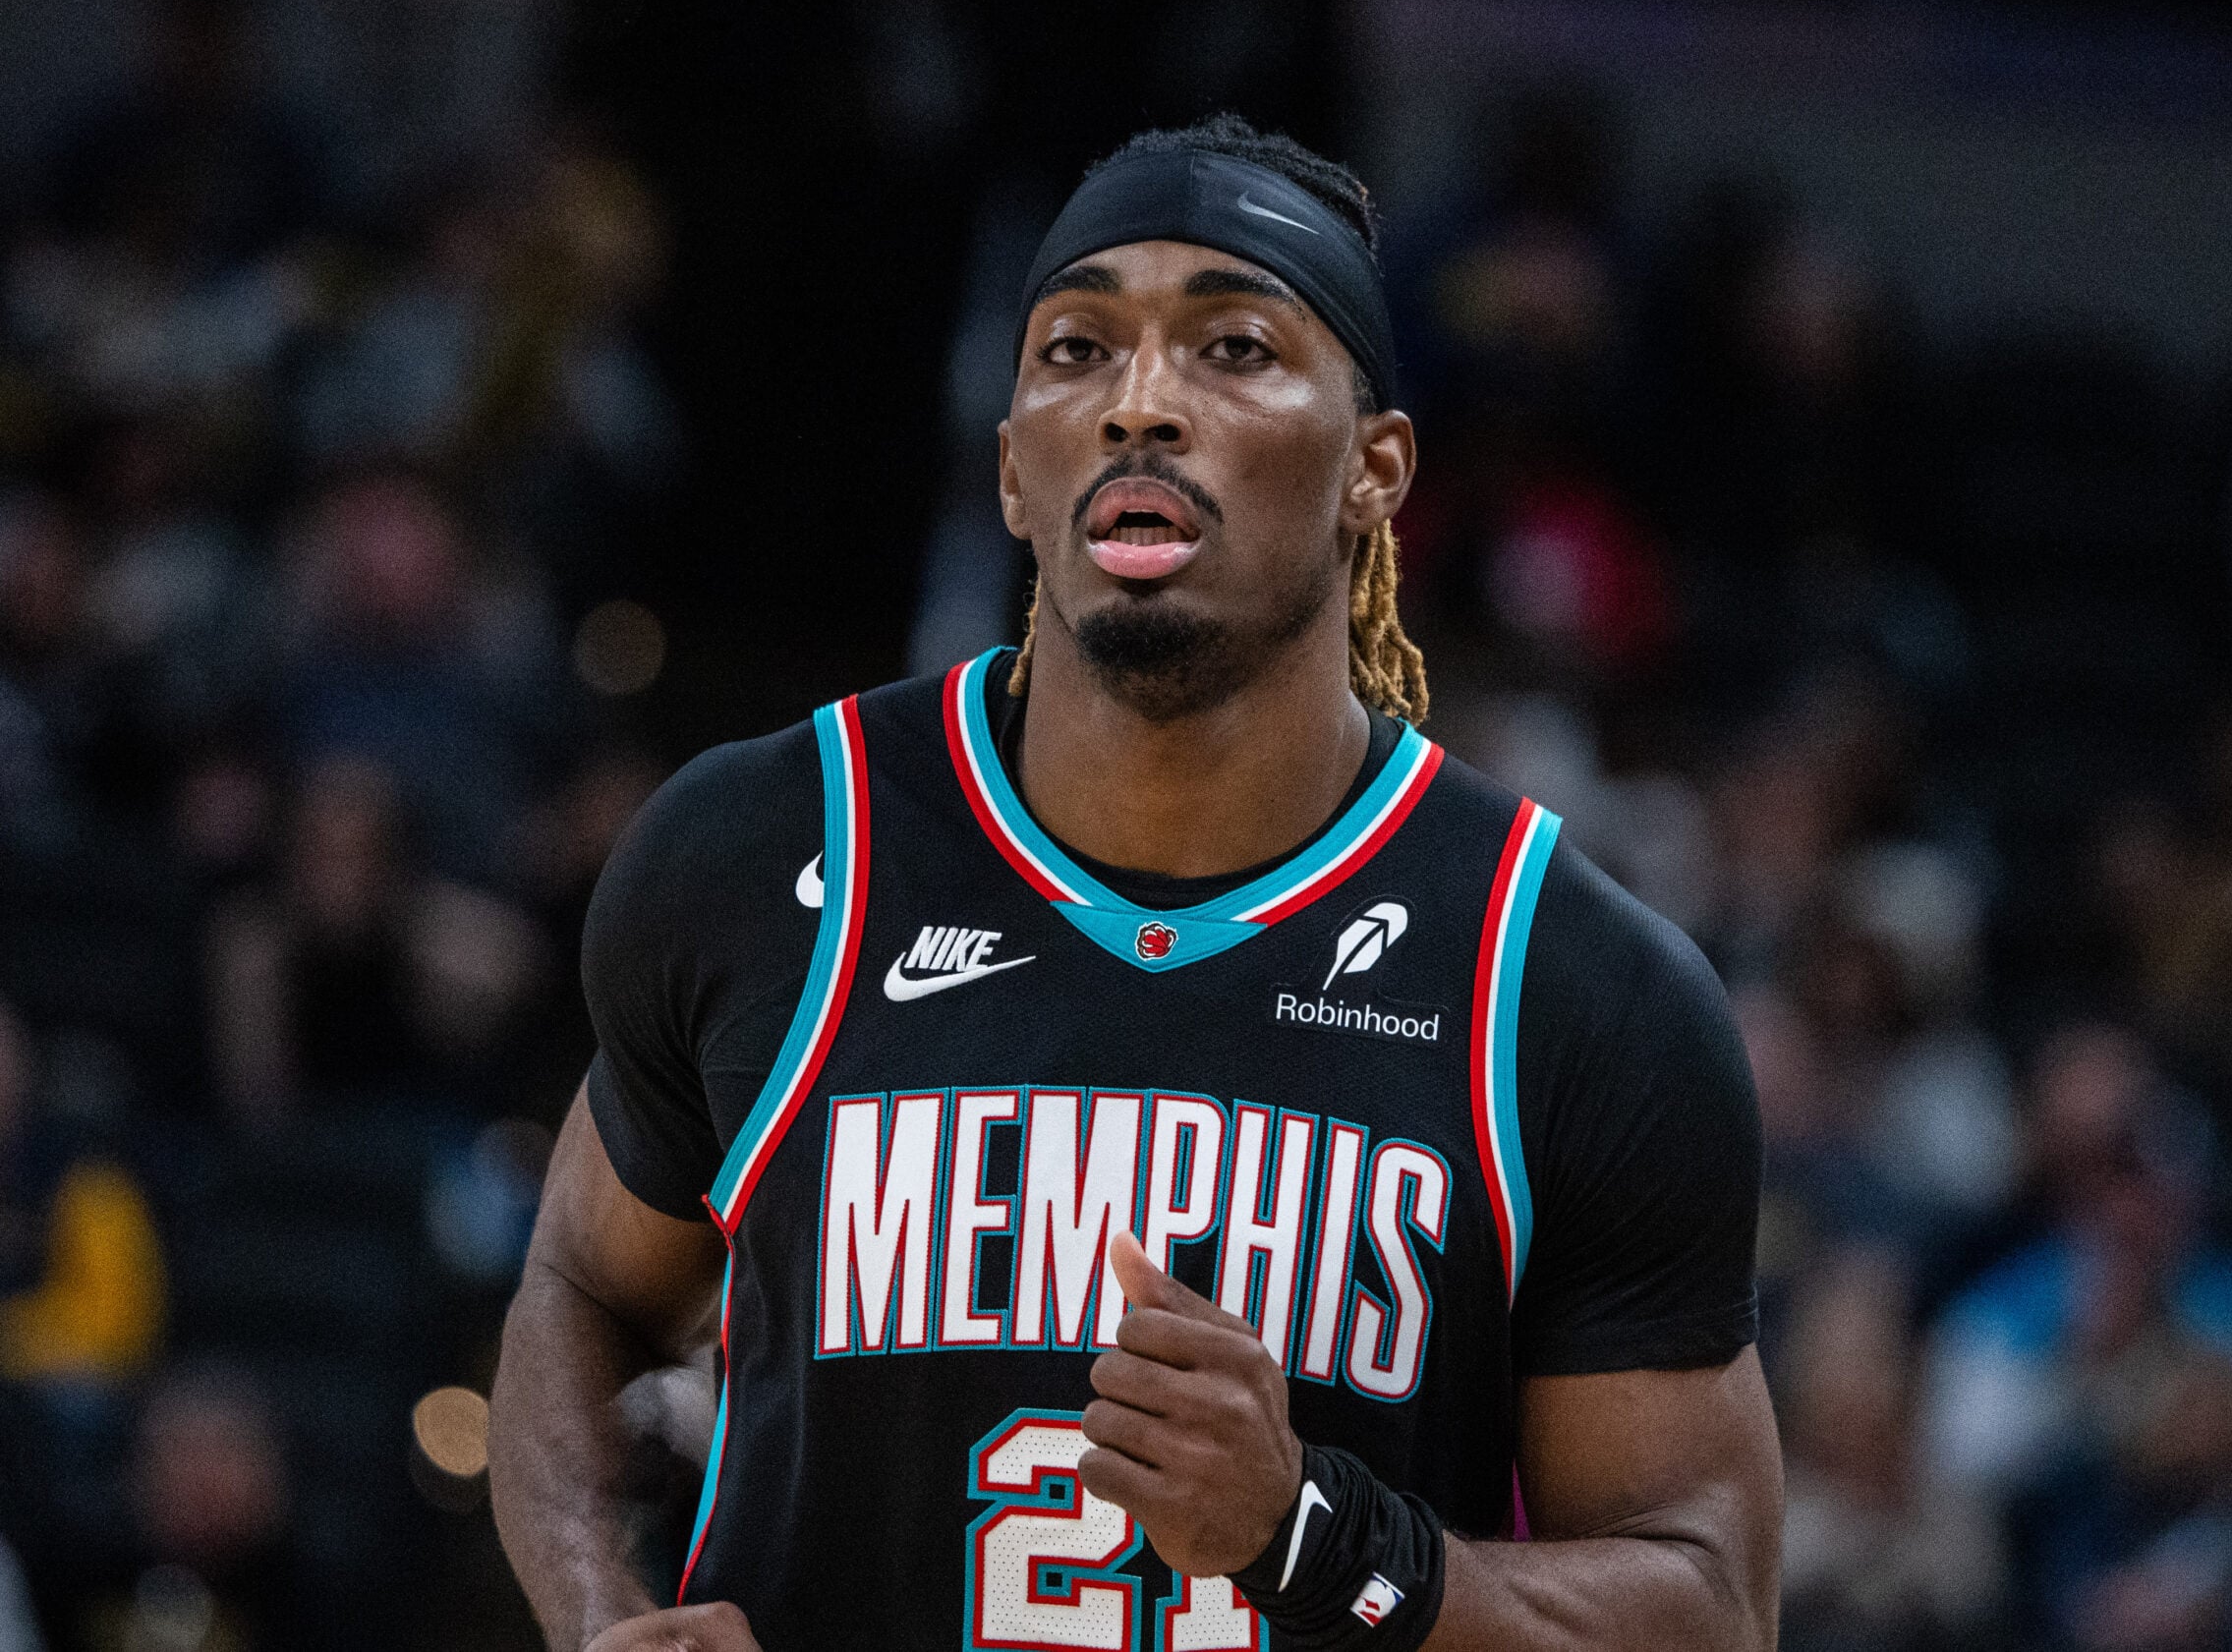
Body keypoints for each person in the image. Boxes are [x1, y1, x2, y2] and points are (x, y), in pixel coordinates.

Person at [488, 114, 1777, 1652]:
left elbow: (1709, 1603)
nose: (1138, 404)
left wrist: (1315, 1538)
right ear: (1020, 477)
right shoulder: (767, 850)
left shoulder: (1562, 979)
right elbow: (579, 1280)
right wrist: (594, 1614)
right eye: (1077, 350)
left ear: (1376, 469)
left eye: (1232, 348)